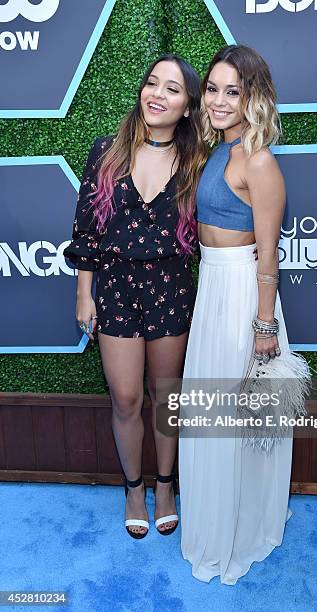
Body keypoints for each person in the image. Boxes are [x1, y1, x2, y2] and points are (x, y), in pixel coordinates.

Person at [178, 45, 311, 584]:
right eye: (212, 89)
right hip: (212, 288)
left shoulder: (258, 160)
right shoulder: (217, 151)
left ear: (254, 98)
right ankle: (216, 519)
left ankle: (244, 527)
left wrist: (264, 327)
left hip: (242, 298)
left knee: (240, 418)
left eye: (233, 91)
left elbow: (268, 254)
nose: (218, 100)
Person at [64, 54, 207, 539]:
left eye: (172, 89)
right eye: (152, 83)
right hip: (117, 287)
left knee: (165, 396)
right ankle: (133, 488)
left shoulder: (197, 161)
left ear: (188, 107)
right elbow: (86, 230)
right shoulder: (106, 152)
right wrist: (85, 294)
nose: (157, 95)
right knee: (125, 398)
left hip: (171, 287)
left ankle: (165, 486)